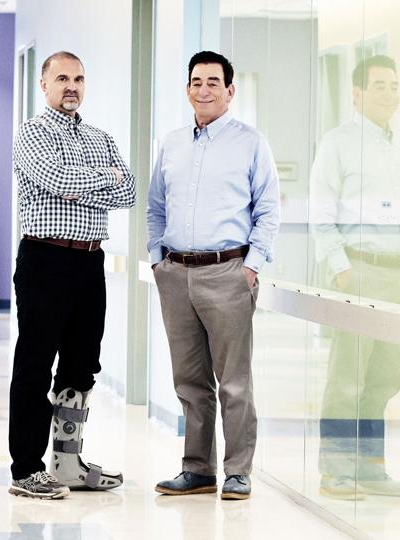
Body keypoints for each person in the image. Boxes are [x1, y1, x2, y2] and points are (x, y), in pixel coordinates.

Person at [147, 50, 281, 501]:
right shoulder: (171, 143)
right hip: (176, 273)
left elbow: (268, 209)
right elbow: (155, 207)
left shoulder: (250, 142)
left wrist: (252, 266)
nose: (204, 89)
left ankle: (238, 471)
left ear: (229, 90)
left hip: (228, 273)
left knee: (235, 382)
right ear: (187, 89)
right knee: (189, 382)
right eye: (196, 82)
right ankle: (198, 469)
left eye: (213, 82)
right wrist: (156, 259)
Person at [8, 50, 135, 499]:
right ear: (44, 85)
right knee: (35, 363)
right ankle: (26, 468)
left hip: (89, 261)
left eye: (79, 78)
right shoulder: (31, 133)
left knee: (82, 363)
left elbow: (130, 190)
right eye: (62, 78)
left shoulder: (100, 137)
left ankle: (66, 463)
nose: (72, 86)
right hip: (45, 259)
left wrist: (88, 179)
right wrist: (102, 179)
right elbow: (57, 179)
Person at [309, 55, 400, 499]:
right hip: (360, 272)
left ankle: (370, 467)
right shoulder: (337, 144)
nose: (389, 94)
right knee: (348, 377)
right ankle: (335, 470)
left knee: (385, 377)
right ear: (357, 93)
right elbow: (320, 213)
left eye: (394, 86)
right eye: (379, 86)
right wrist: (341, 269)